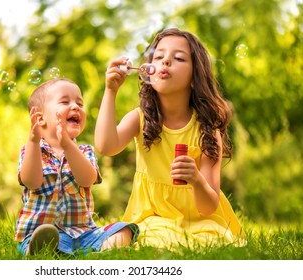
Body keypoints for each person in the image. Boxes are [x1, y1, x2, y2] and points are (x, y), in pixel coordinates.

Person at [95, 27, 245, 250]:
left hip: (201, 221)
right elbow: (105, 146)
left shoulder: (207, 131)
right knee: (148, 236)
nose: (165, 61)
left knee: (216, 239)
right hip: (153, 216)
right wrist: (110, 91)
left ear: (195, 78)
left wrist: (196, 179)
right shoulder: (140, 119)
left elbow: (208, 207)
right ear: (148, 70)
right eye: (158, 56)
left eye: (178, 58)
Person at [15, 78, 138, 256]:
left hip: (84, 233)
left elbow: (87, 179)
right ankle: (42, 249)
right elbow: (31, 182)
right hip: (44, 232)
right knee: (46, 237)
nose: (76, 107)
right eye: (65, 102)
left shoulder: (84, 151)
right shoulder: (32, 151)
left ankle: (102, 252)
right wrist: (33, 140)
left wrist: (67, 144)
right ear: (40, 118)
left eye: (79, 103)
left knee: (123, 229)